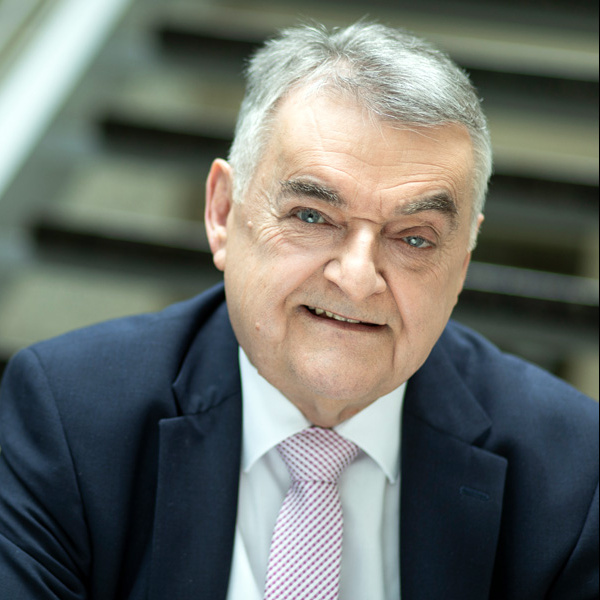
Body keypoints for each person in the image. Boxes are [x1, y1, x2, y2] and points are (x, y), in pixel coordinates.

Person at [0, 21, 597, 600]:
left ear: (463, 262)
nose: (358, 279)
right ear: (222, 212)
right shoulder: (69, 418)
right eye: (312, 216)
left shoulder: (571, 472)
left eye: (414, 238)